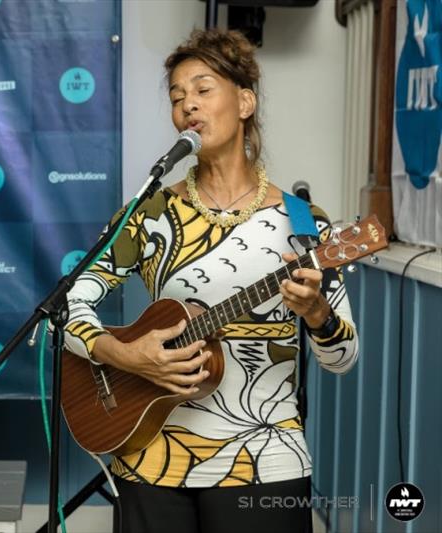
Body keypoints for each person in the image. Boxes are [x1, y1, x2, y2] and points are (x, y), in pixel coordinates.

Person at [63, 29, 359, 533]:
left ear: (245, 102)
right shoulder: (151, 212)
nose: (187, 107)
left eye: (202, 89)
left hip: (266, 462)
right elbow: (68, 304)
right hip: (150, 458)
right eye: (177, 98)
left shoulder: (303, 223)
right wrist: (120, 353)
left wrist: (316, 313)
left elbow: (343, 360)